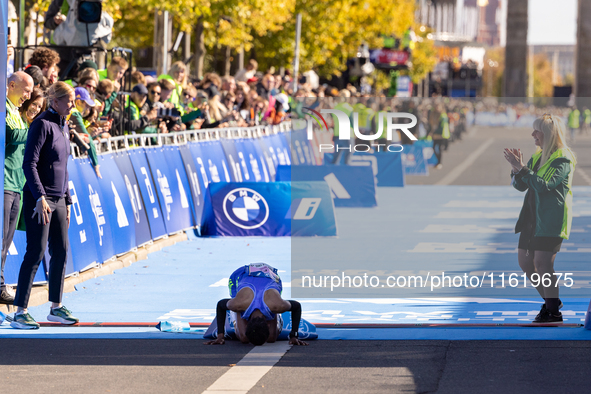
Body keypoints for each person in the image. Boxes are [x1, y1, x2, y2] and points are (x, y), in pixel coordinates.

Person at [12, 82, 79, 329]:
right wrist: (40, 197)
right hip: (38, 199)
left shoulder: (64, 125)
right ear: (56, 102)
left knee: (61, 250)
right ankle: (21, 311)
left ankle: (56, 307)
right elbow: (29, 163)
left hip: (59, 199)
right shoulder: (42, 124)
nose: (72, 105)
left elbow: (64, 167)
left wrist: (67, 200)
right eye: (69, 101)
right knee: (36, 252)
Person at [504, 114, 576, 323]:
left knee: (543, 264)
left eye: (537, 131)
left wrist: (522, 169)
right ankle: (552, 300)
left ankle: (553, 312)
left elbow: (543, 186)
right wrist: (515, 170)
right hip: (530, 218)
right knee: (526, 263)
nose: (533, 134)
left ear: (549, 134)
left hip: (550, 220)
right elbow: (522, 186)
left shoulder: (563, 157)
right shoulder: (537, 156)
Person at [204, 263, 308, 346]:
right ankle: (237, 315)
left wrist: (294, 335)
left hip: (270, 276)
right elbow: (220, 305)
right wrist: (220, 336)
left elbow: (297, 306)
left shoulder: (277, 305)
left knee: (271, 338)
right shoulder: (239, 304)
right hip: (240, 275)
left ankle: (274, 315)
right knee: (244, 338)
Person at [2, 72, 35, 304]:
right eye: (26, 91)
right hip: (4, 183)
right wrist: (34, 131)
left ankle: (1, 284)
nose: (28, 96)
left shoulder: (16, 112)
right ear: (11, 85)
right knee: (1, 237)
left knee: (6, 240)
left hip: (17, 184)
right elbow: (10, 135)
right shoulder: (3, 107)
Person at [70, 87, 101, 178]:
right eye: (86, 104)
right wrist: (96, 164)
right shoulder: (75, 113)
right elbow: (88, 139)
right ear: (78, 102)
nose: (88, 108)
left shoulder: (73, 112)